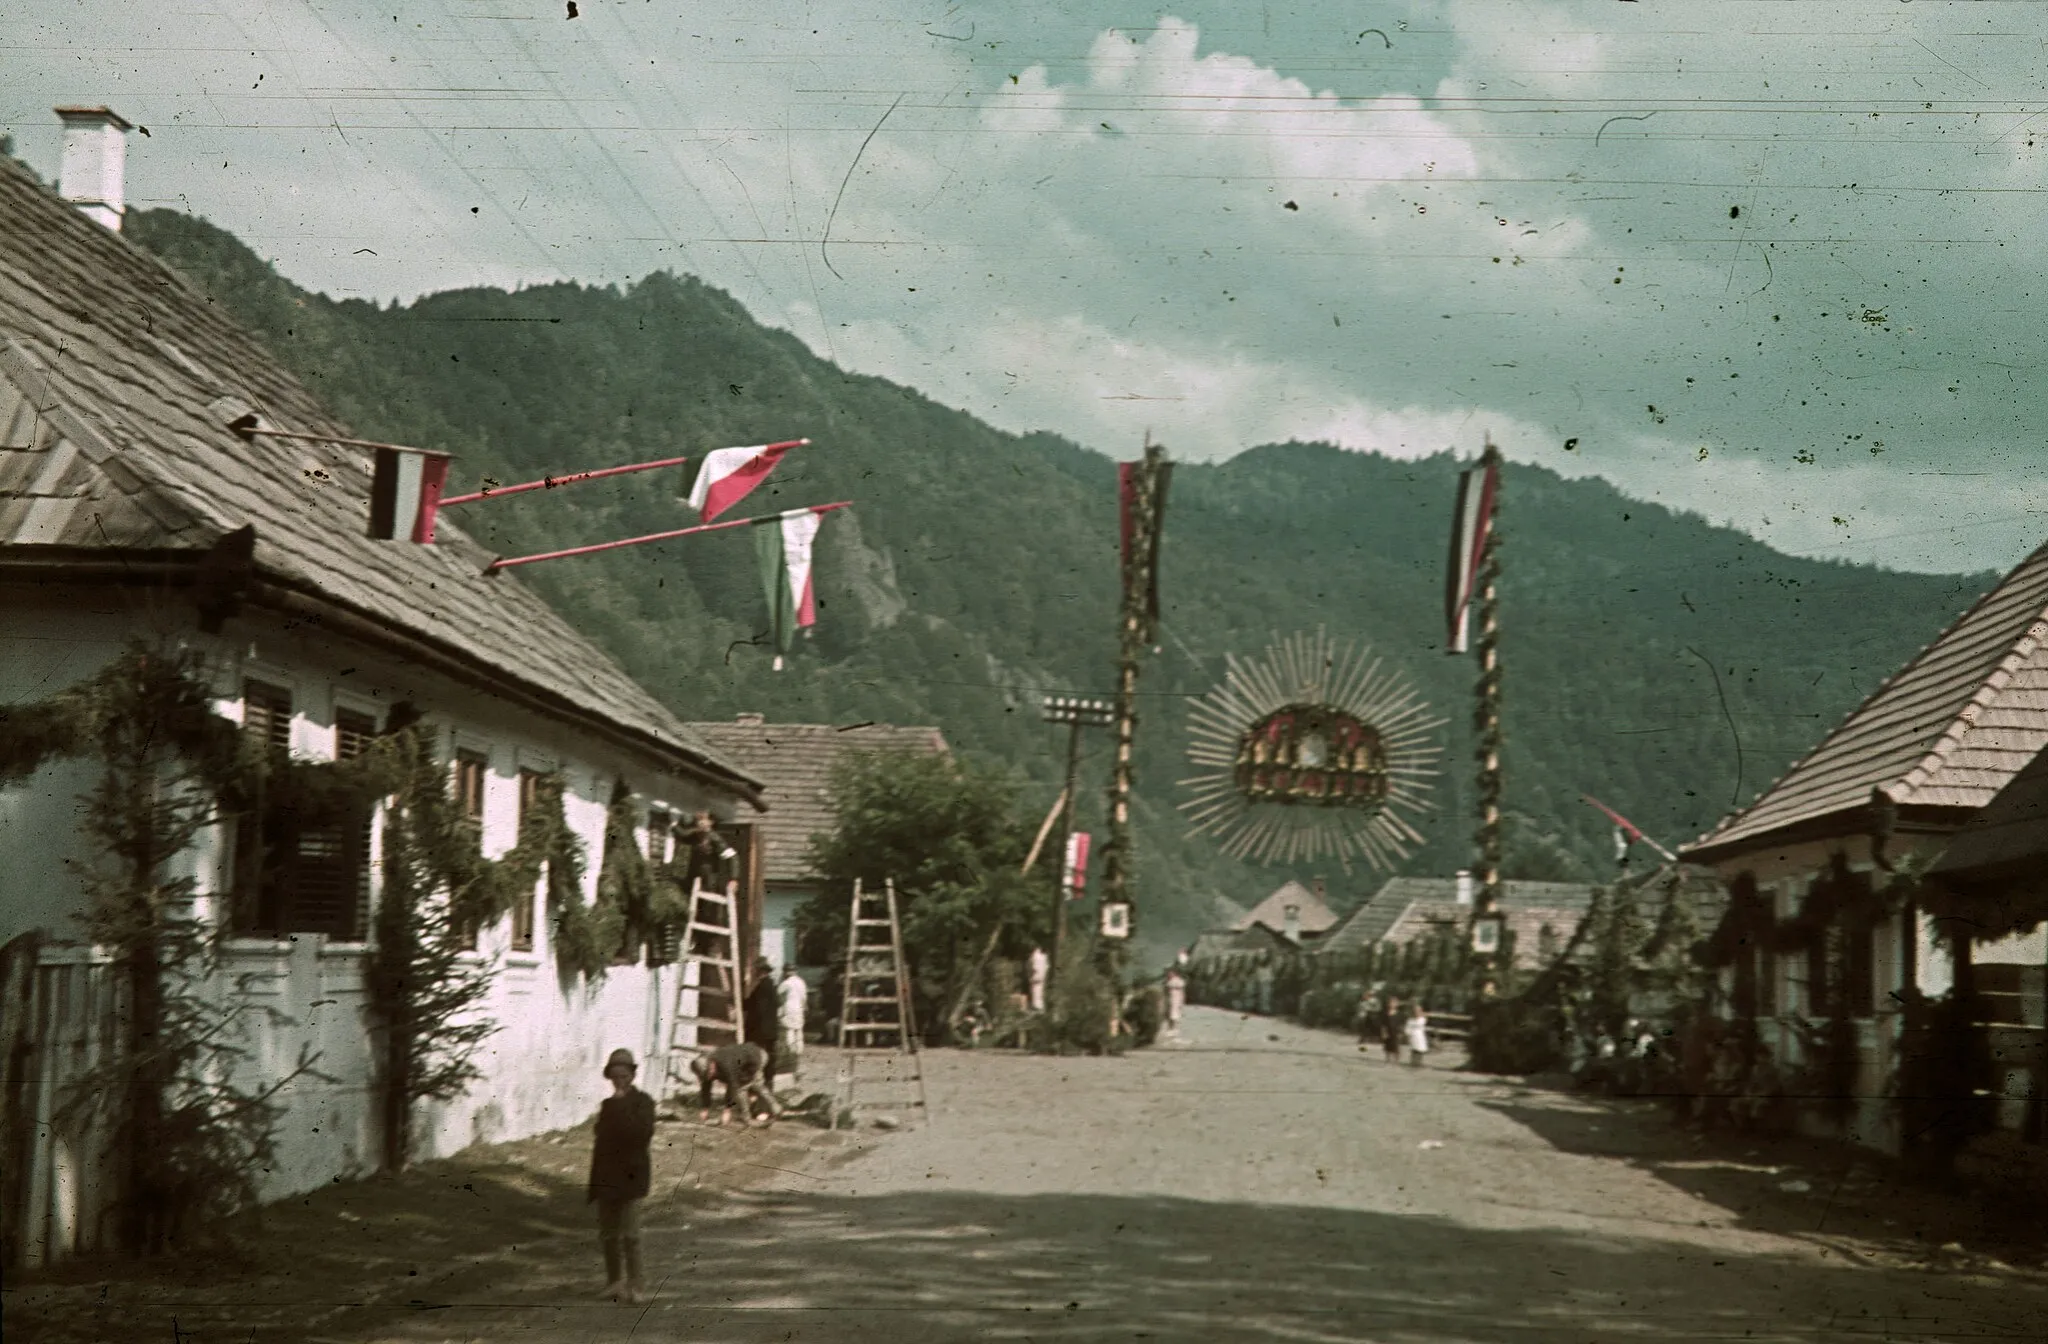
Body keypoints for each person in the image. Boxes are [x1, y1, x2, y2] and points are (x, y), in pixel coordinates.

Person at [588, 1048, 656, 1305]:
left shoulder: (644, 1103)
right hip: (607, 1175)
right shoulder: (607, 1105)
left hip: (631, 1175)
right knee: (608, 1234)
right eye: (615, 1076)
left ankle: (636, 1284)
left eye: (624, 1075)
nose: (620, 1081)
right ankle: (614, 1281)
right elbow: (601, 1136)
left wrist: (619, 1106)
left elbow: (639, 1135)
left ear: (632, 1075)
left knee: (631, 1235)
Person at [690, 1040, 781, 1127]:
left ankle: (748, 1118)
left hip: (756, 1057)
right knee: (754, 1085)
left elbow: (732, 1086)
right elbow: (706, 1085)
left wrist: (727, 1110)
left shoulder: (725, 1063)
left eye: (709, 1073)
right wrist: (704, 1108)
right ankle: (776, 1108)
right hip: (748, 1057)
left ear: (711, 1065)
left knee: (743, 1088)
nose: (710, 1076)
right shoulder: (708, 1065)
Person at [743, 956, 780, 1092]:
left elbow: (758, 1009)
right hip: (770, 1030)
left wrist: (749, 1027)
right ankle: (767, 1088)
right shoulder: (770, 985)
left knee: (758, 1059)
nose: (754, 972)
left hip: (761, 1031)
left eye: (756, 969)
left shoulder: (763, 987)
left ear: (760, 971)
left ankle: (759, 1089)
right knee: (769, 1060)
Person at [777, 964, 808, 1082]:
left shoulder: (786, 983)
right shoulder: (801, 982)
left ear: (786, 971)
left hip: (789, 1009)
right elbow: (804, 999)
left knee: (789, 1033)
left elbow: (778, 995)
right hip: (798, 1009)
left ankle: (791, 1056)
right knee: (798, 1033)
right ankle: (798, 1055)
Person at [1404, 1002, 1431, 1067]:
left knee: (1420, 1050)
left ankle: (1419, 1062)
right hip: (1413, 1036)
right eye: (1415, 1011)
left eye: (1418, 1011)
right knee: (1414, 1050)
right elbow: (1407, 1028)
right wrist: (1407, 1035)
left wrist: (1422, 1014)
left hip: (1420, 1036)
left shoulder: (1422, 1019)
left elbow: (1425, 1018)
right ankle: (1413, 1062)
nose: (1417, 1013)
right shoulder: (1410, 1020)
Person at [1163, 966, 1187, 1039]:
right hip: (1170, 999)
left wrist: (1182, 1001)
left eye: (1171, 973)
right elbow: (1166, 990)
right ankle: (1170, 1028)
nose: (1169, 974)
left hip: (1176, 998)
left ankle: (1174, 1029)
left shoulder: (1178, 980)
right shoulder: (1168, 981)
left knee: (1174, 1014)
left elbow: (1182, 991)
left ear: (1174, 973)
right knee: (1169, 1014)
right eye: (1168, 973)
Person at [1380, 995, 1404, 1063]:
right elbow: (1383, 1025)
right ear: (1388, 1004)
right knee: (1387, 1045)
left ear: (1397, 1004)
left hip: (1396, 1032)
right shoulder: (1386, 1014)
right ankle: (1388, 1058)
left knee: (1396, 1046)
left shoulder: (1399, 1014)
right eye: (1391, 1003)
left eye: (1394, 1003)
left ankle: (1397, 1059)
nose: (1392, 1004)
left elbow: (1401, 1024)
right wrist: (1383, 1032)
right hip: (1388, 1032)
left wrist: (1401, 1033)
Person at [1027, 946, 1050, 1013]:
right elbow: (1047, 966)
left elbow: (1034, 967)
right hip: (1042, 976)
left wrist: (1031, 975)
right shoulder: (1044, 956)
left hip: (1035, 976)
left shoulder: (1035, 956)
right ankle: (1040, 1007)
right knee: (1040, 992)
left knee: (1035, 992)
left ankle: (1037, 1007)